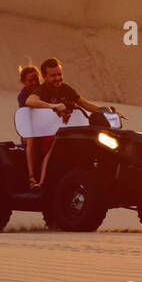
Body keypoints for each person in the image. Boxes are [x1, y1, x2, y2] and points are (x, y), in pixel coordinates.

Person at [25, 56, 116, 188]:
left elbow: (86, 104)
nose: (57, 78)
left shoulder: (66, 89)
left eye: (59, 74)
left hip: (68, 133)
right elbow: (30, 101)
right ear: (44, 77)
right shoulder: (42, 90)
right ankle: (42, 183)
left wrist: (108, 111)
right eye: (53, 75)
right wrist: (53, 106)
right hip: (48, 134)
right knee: (56, 144)